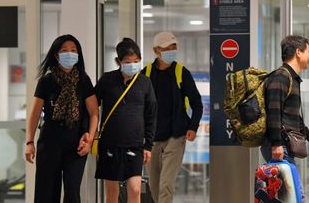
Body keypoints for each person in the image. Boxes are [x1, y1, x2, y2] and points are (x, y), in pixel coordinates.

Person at [25, 34, 99, 203]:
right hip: (50, 141)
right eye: (64, 50)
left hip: (76, 143)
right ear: (56, 55)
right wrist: (29, 143)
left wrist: (90, 140)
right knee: (46, 192)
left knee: (72, 192)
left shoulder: (84, 81)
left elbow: (94, 112)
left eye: (73, 50)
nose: (69, 54)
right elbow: (35, 114)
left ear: (79, 54)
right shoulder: (46, 81)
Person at [260, 35, 309, 196]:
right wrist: (276, 144)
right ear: (298, 52)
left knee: (289, 197)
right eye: (308, 52)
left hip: (283, 145)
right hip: (279, 145)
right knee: (293, 196)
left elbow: (294, 119)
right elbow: (274, 112)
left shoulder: (291, 78)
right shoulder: (281, 77)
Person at [142, 31, 203, 203]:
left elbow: (197, 103)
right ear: (156, 51)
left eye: (173, 47)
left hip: (175, 136)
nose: (171, 51)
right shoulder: (145, 74)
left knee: (166, 184)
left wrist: (192, 127)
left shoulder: (181, 72)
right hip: (151, 138)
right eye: (166, 48)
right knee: (154, 185)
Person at [94, 38, 157, 203]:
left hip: (135, 144)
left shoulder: (144, 82)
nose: (133, 65)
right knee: (112, 193)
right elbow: (92, 106)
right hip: (110, 144)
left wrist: (148, 145)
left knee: (135, 190)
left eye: (136, 61)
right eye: (128, 62)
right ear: (118, 61)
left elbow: (151, 115)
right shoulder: (107, 80)